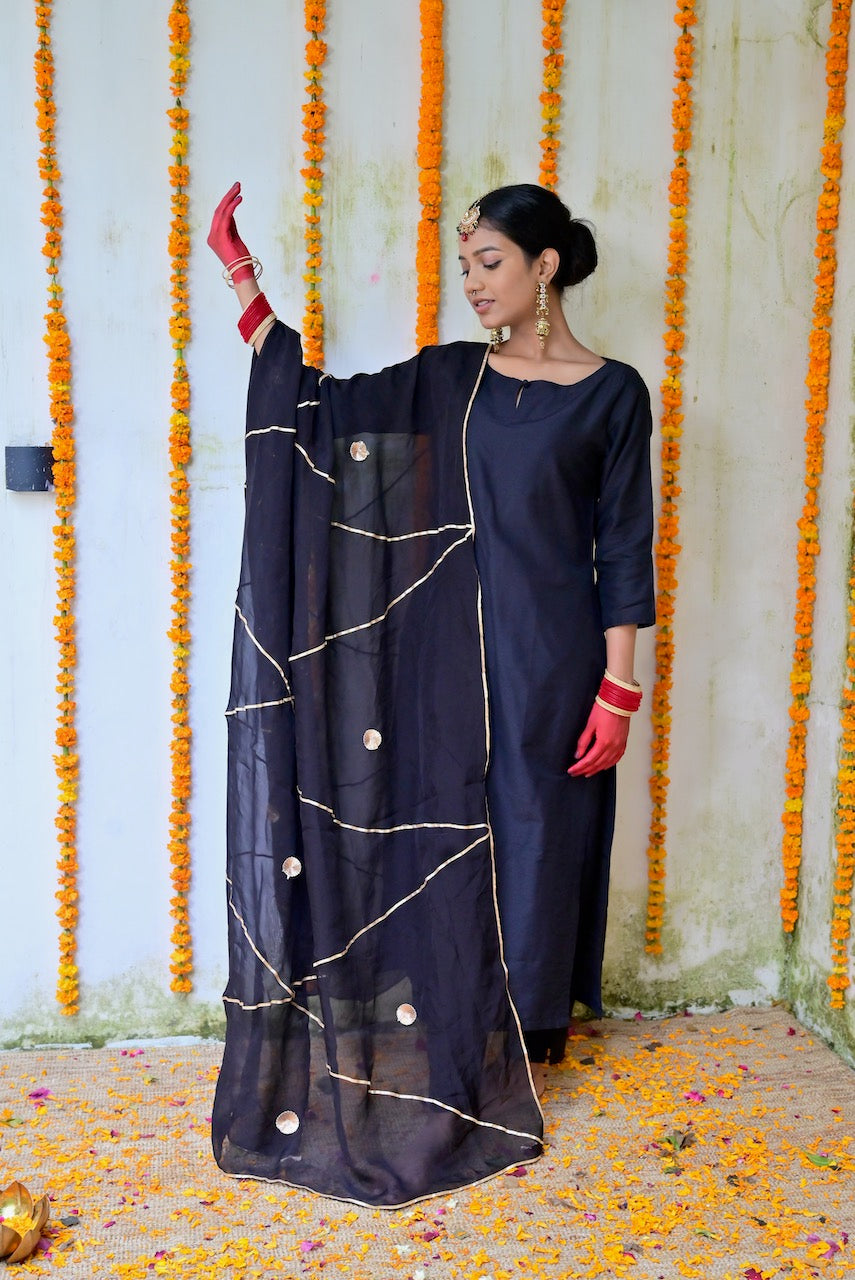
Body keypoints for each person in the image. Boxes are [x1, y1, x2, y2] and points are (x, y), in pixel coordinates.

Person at [206, 181, 654, 1207]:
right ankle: (456, 1027)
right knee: (445, 827)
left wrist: (618, 686)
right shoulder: (452, 380)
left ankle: (521, 1029)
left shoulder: (612, 394)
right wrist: (242, 277)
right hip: (439, 655)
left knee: (536, 831)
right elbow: (322, 411)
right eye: (465, 268)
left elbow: (622, 547)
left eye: (490, 263)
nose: (474, 285)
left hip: (554, 660)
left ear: (545, 265)